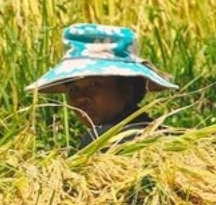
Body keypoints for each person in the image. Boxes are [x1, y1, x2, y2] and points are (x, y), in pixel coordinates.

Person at [27, 23, 177, 143]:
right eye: (73, 89)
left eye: (93, 85)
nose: (81, 98)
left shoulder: (101, 140)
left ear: (126, 89)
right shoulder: (167, 136)